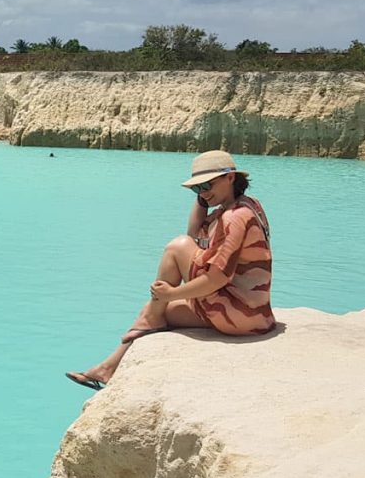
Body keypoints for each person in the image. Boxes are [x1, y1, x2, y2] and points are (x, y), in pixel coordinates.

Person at [65, 150, 274, 391]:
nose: (203, 191)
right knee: (157, 311)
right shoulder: (244, 206)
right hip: (252, 316)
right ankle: (107, 369)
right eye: (197, 188)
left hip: (240, 314)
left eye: (207, 185)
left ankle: (146, 322)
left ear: (230, 178)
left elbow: (217, 276)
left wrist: (171, 294)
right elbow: (196, 234)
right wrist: (203, 199)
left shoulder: (236, 217)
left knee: (177, 248)